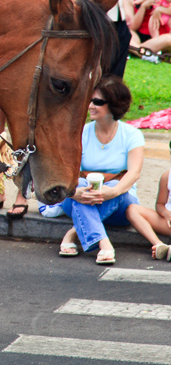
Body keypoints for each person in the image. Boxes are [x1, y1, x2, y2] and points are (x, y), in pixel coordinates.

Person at [58, 77, 149, 264]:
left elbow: (134, 173)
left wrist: (113, 191)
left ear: (114, 105)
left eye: (97, 102)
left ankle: (73, 233)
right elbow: (67, 171)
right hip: (78, 197)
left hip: (118, 202)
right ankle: (104, 243)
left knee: (119, 184)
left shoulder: (132, 135)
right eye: (90, 100)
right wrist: (75, 193)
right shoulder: (81, 132)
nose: (91, 105)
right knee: (81, 184)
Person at [131, 140, 171, 260]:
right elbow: (159, 204)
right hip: (168, 222)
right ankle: (159, 245)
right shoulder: (167, 176)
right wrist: (166, 214)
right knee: (132, 209)